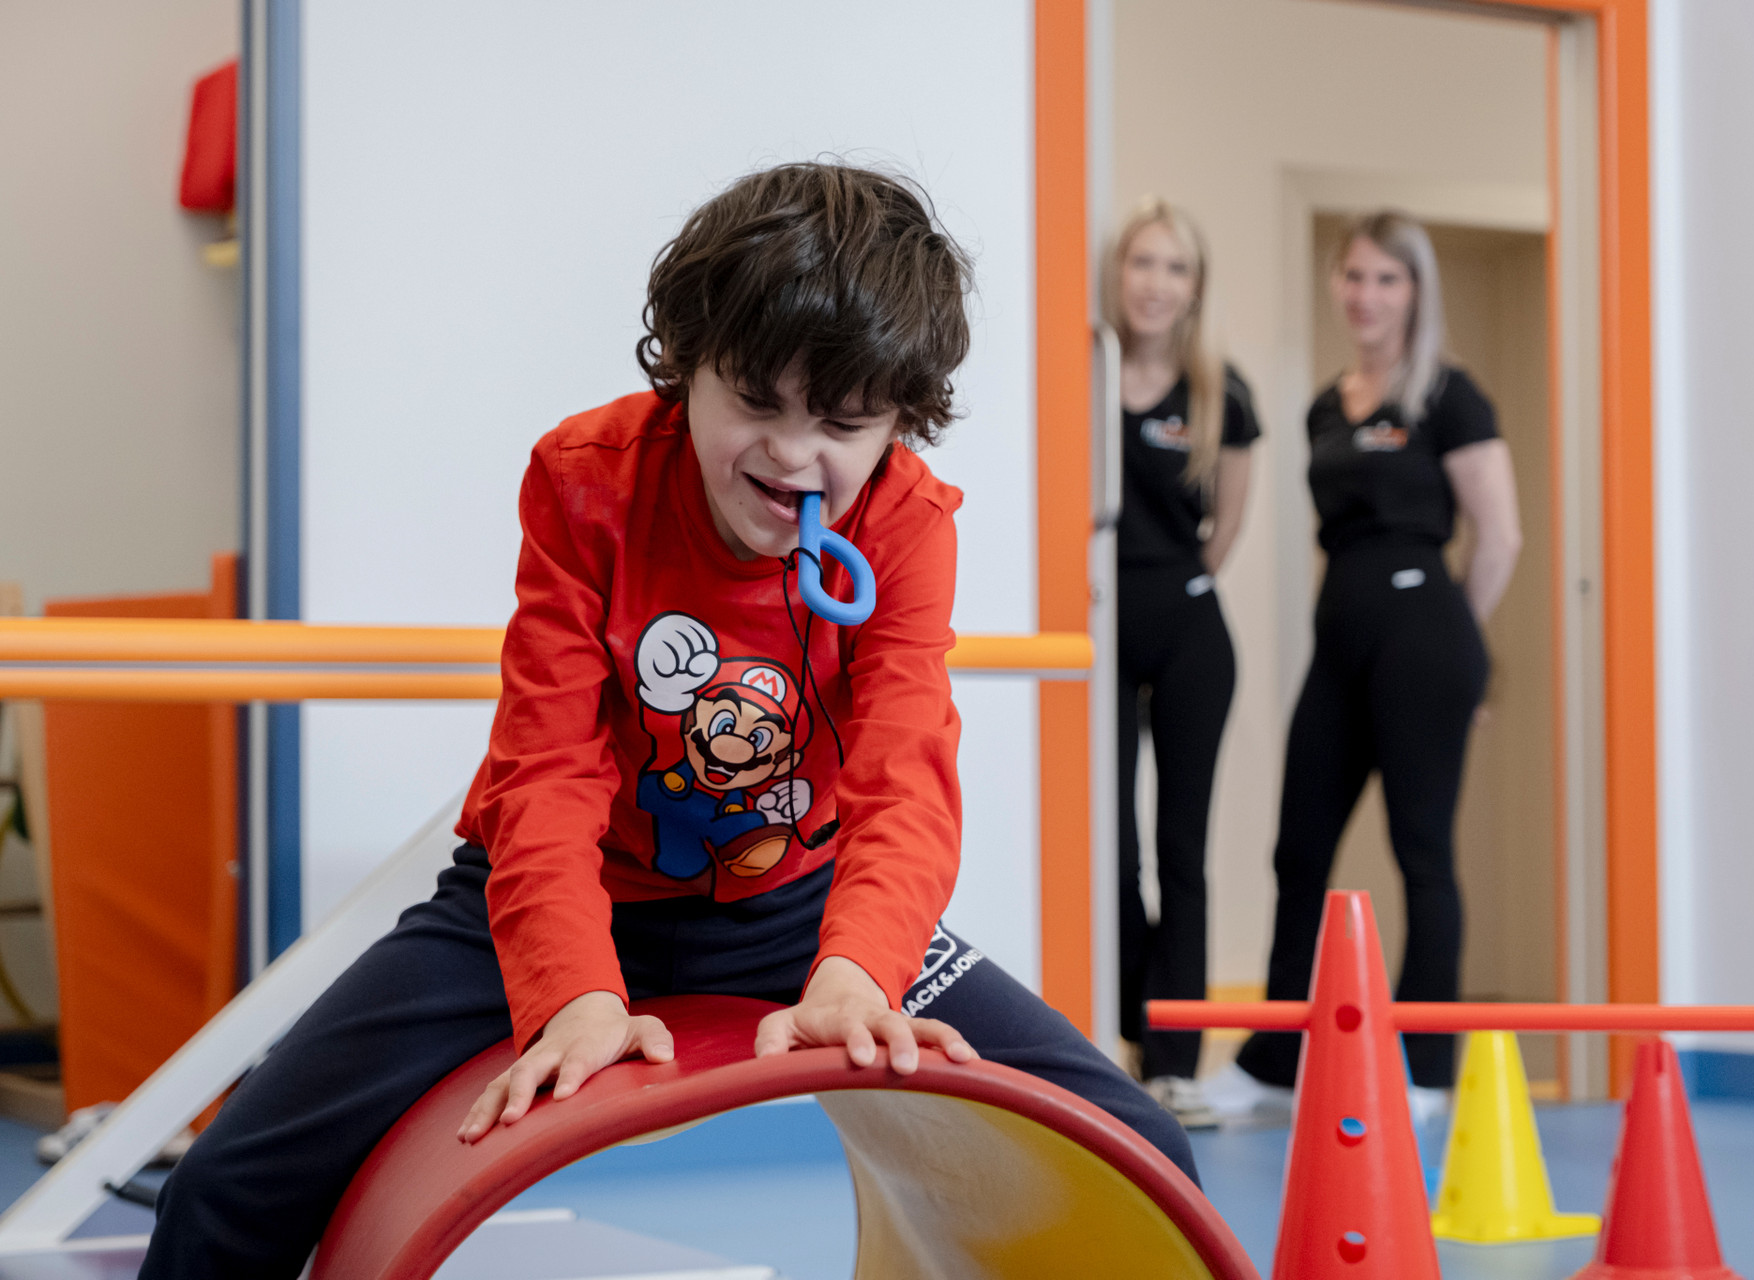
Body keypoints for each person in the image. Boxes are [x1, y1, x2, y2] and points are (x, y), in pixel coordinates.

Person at [139, 163, 1194, 1278]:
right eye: (755, 402)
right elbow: (546, 770)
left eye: (842, 421)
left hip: (797, 897)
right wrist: (577, 992)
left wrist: (857, 973)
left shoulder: (906, 522)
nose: (793, 456)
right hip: (575, 889)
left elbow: (907, 778)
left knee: (1145, 1146)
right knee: (225, 1187)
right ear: (687, 367)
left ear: (899, 418)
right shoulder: (586, 481)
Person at [1209, 211, 1521, 1119]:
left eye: (1388, 278)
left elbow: (1501, 535)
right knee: (1298, 846)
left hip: (1426, 632)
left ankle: (1425, 1069)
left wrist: (1452, 643)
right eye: (1355, 276)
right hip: (1340, 634)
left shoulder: (1448, 396)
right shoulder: (1321, 406)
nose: (1367, 295)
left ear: (1416, 290)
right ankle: (1273, 1060)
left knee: (1421, 850)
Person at [1103, 198, 1259, 1128]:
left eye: (1176, 268)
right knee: (1114, 853)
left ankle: (1176, 1064)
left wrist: (1177, 590)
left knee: (1182, 854)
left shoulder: (1221, 394)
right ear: (1117, 275)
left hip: (1194, 633)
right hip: (1106, 633)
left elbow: (1225, 529)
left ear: (1194, 288)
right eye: (1143, 263)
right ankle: (1130, 1033)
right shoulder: (1085, 376)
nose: (1157, 283)